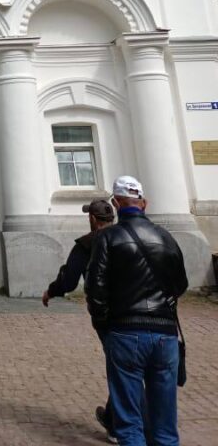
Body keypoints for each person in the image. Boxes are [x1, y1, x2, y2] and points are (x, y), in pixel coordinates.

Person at [86, 176, 188, 446]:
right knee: (165, 427)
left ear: (116, 203)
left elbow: (95, 289)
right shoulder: (165, 236)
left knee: (130, 425)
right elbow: (180, 284)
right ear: (144, 203)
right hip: (165, 335)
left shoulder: (107, 237)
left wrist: (105, 326)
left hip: (125, 332)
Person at [42, 198, 116, 441]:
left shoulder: (87, 243)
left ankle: (117, 423)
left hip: (108, 315)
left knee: (121, 368)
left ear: (92, 218)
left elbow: (69, 279)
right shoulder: (129, 236)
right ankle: (118, 418)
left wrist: (52, 291)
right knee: (133, 368)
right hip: (141, 310)